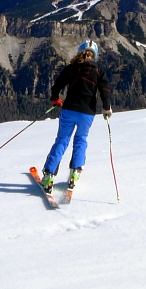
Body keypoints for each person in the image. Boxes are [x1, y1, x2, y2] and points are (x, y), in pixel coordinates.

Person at [39, 40, 112, 194]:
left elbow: (57, 84)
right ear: (95, 55)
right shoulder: (99, 71)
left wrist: (55, 99)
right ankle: (75, 174)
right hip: (87, 113)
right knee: (81, 140)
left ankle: (48, 176)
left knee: (62, 140)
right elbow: (105, 91)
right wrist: (107, 108)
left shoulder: (71, 68)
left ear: (80, 51)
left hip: (69, 110)